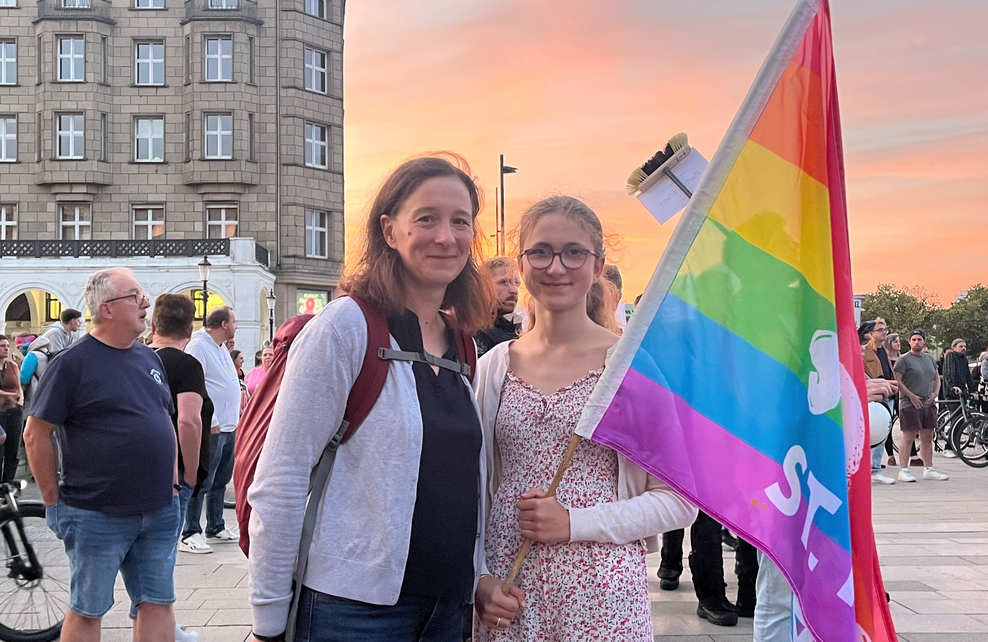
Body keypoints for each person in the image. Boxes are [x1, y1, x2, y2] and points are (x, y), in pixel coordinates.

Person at [247, 154, 497, 642]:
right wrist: (268, 621)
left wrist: (480, 574)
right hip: (354, 613)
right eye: (426, 219)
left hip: (447, 610)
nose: (446, 236)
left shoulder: (463, 340)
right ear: (389, 230)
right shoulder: (345, 327)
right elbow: (282, 477)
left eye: (460, 221)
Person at [473, 195, 697, 641]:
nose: (556, 267)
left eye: (574, 252)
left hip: (602, 594)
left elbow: (679, 500)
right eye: (540, 251)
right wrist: (477, 578)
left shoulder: (629, 368)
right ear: (522, 263)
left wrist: (575, 522)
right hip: (508, 590)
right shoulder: (494, 366)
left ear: (597, 266)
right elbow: (475, 488)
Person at [24, 267, 180, 642]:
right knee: (88, 608)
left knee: (158, 603)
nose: (146, 303)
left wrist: (174, 483)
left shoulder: (149, 358)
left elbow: (165, 420)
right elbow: (35, 434)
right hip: (96, 511)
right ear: (107, 309)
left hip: (158, 509)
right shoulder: (72, 363)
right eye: (135, 296)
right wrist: (53, 502)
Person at [754, 377, 897, 641]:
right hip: (785, 477)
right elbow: (771, 401)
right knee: (782, 593)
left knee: (820, 586)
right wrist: (846, 397)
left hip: (822, 479)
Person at [147, 293, 212, 642]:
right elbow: (188, 420)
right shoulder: (187, 366)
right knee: (162, 557)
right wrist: (189, 472)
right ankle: (164, 627)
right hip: (173, 474)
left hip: (140, 469)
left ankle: (162, 625)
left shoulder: (140, 359)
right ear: (190, 329)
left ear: (154, 324)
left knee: (149, 557)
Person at [181, 306, 241, 554]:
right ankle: (190, 531)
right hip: (212, 425)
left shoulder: (220, 347)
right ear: (224, 324)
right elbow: (197, 384)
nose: (236, 325)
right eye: (234, 321)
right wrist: (211, 417)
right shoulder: (198, 346)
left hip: (229, 425)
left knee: (220, 479)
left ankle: (215, 525)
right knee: (203, 479)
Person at [893, 330, 949, 482]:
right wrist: (911, 396)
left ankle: (928, 468)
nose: (917, 342)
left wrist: (935, 393)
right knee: (909, 436)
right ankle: (903, 470)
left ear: (924, 341)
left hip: (928, 402)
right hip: (909, 403)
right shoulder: (903, 360)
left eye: (919, 339)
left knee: (927, 437)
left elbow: (936, 378)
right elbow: (897, 380)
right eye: (914, 339)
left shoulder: (930, 359)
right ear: (909, 341)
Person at [861, 318, 897, 484]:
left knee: (882, 434)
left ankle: (875, 468)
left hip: (886, 394)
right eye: (880, 329)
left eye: (885, 329)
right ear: (871, 333)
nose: (884, 332)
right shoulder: (866, 350)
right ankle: (871, 469)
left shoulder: (884, 351)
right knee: (872, 434)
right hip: (872, 396)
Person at [474, 257, 521, 357]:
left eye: (516, 283)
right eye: (504, 282)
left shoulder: (512, 330)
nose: (514, 290)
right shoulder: (472, 330)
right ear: (483, 286)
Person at [0, 335, 21, 480]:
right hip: (0, 411)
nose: (6, 348)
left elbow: (19, 387)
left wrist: (20, 401)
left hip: (14, 410)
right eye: (2, 346)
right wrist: (10, 395)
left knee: (13, 449)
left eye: (7, 346)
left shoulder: (12, 366)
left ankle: (8, 484)